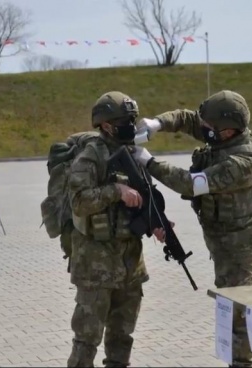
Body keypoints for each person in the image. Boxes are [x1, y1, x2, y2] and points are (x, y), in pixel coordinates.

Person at [132, 90, 252, 367]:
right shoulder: (220, 132)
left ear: (227, 131)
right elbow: (186, 118)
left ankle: (243, 362)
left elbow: (190, 183)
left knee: (240, 304)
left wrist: (149, 162)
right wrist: (156, 123)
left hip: (239, 242)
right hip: (222, 236)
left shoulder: (242, 163)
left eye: (209, 127)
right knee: (229, 299)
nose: (202, 128)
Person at [66, 91, 168, 368]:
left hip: (130, 264)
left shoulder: (135, 154)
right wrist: (115, 191)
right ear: (107, 125)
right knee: (87, 340)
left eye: (133, 120)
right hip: (96, 266)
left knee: (122, 337)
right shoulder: (90, 157)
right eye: (126, 121)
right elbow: (78, 201)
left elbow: (144, 198)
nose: (132, 126)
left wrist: (156, 222)